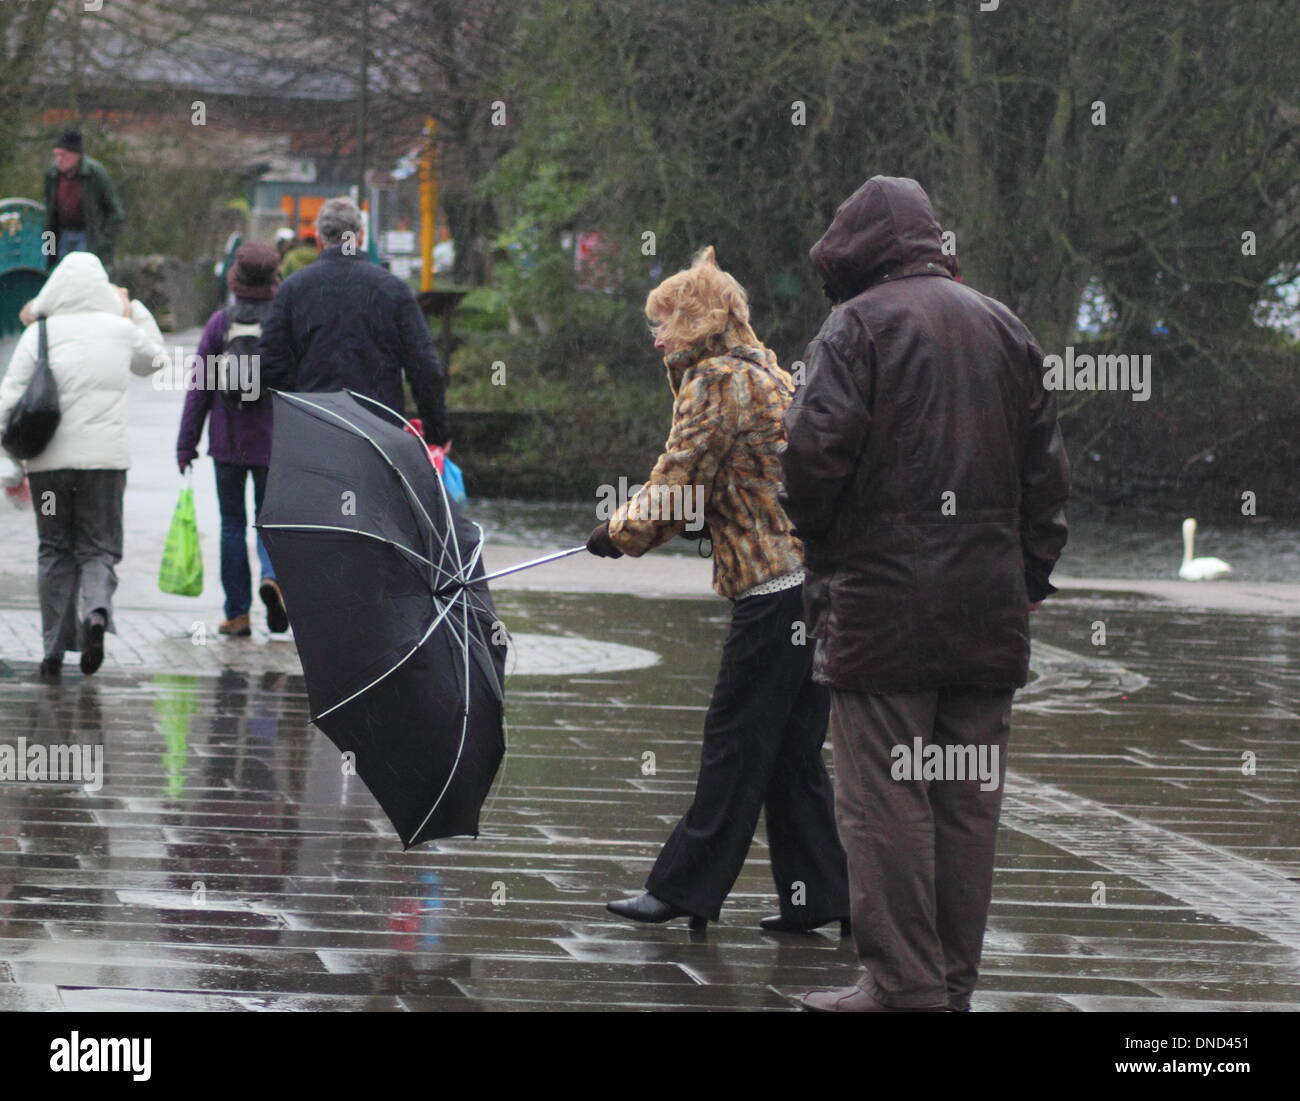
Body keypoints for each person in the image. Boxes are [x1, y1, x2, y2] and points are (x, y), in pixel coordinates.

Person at [780, 176, 1071, 1012]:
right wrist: (1027, 580)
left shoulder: (858, 326)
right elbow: (1046, 480)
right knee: (965, 802)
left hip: (882, 615)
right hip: (986, 613)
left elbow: (809, 464)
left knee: (886, 799)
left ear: (856, 250)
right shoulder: (1003, 324)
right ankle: (950, 980)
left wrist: (831, 554)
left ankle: (903, 983)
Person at [588, 246, 849, 932]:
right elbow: (748, 480)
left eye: (665, 320)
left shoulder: (713, 383)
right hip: (812, 586)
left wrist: (615, 532)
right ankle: (822, 896)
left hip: (771, 594)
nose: (656, 336)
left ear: (698, 321)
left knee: (733, 742)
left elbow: (675, 487)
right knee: (793, 756)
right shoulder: (768, 372)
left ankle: (682, 888)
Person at [0, 253, 166, 676]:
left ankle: (52, 649)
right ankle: (95, 613)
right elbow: (155, 361)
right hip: (104, 467)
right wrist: (136, 310)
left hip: (48, 469)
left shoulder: (40, 333)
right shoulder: (121, 329)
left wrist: (9, 456)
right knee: (98, 548)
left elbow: (8, 398)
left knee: (54, 549)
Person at [257, 198, 450, 447]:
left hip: (314, 432)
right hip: (379, 434)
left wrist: (300, 398)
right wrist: (437, 432)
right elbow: (424, 368)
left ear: (318, 240)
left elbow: (270, 365)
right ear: (360, 237)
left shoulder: (293, 290)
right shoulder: (393, 290)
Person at [176, 242, 287, 637]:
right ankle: (274, 580)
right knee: (271, 522)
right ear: (275, 278)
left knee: (232, 524)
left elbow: (199, 389)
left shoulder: (219, 323)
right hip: (276, 443)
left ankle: (237, 614)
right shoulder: (283, 322)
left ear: (236, 279)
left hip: (228, 441)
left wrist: (186, 444)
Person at [43, 129, 124, 268]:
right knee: (61, 273)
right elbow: (49, 212)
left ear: (76, 155)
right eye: (57, 155)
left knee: (84, 274)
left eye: (64, 155)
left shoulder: (96, 174)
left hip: (87, 236)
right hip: (61, 234)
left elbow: (115, 213)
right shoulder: (52, 175)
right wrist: (48, 246)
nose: (59, 160)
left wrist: (104, 241)